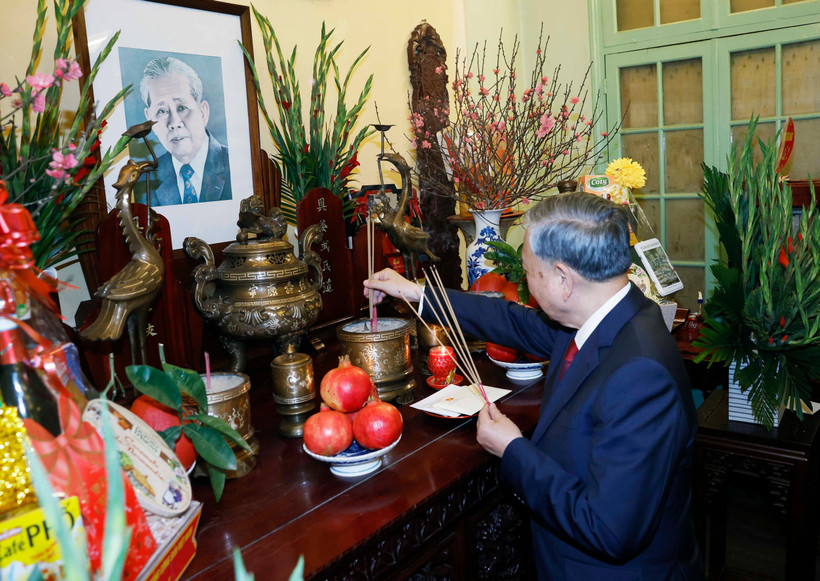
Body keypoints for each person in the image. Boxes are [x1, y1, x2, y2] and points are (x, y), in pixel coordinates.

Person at [364, 192, 703, 580]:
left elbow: (610, 530)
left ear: (563, 279)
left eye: (529, 271)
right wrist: (414, 292)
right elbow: (509, 320)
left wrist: (513, 450)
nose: (525, 281)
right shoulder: (607, 314)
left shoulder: (641, 375)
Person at [139, 56, 231, 206]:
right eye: (161, 111)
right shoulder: (143, 183)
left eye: (181, 108)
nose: (174, 123)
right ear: (149, 120)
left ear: (203, 113)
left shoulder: (235, 165)